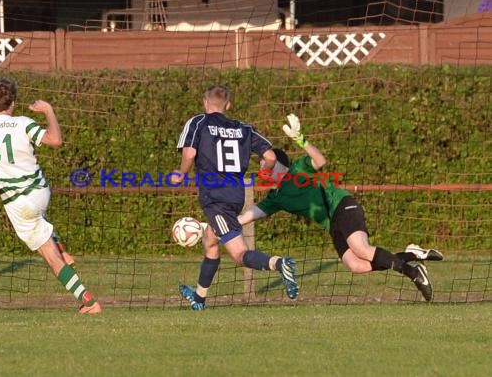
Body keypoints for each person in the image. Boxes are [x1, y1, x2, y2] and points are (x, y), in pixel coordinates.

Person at [238, 114, 443, 302]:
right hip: (332, 224)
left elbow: (320, 160)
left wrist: (300, 139)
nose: (262, 169)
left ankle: (414, 274)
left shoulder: (297, 169)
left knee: (361, 248)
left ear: (279, 164)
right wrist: (217, 224)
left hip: (342, 205)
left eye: (265, 164)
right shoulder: (276, 198)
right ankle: (411, 255)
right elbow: (247, 217)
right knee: (356, 265)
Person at [0, 78, 102, 313]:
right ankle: (63, 251)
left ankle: (89, 302)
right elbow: (55, 140)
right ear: (13, 103)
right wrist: (48, 110)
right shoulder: (23, 123)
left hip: (18, 203)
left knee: (50, 258)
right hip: (40, 192)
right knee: (41, 222)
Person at [171, 85, 299, 311]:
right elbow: (269, 156)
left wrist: (180, 174)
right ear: (228, 105)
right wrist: (266, 171)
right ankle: (199, 298)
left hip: (215, 198)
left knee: (239, 255)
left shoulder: (198, 122)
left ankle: (279, 263)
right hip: (235, 195)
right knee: (210, 241)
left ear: (204, 103)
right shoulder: (243, 128)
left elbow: (189, 153)